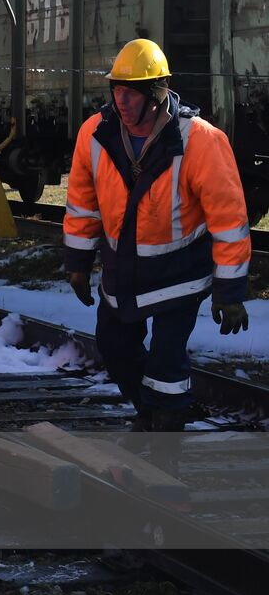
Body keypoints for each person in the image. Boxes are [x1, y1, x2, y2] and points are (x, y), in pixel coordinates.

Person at [63, 39, 251, 432]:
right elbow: (82, 204)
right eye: (116, 90)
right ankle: (148, 414)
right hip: (122, 274)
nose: (121, 101)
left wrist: (230, 291)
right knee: (113, 346)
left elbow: (229, 219)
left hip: (179, 277)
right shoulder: (94, 134)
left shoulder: (201, 140)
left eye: (131, 93)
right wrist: (78, 263)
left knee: (167, 366)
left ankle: (167, 432)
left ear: (158, 94)